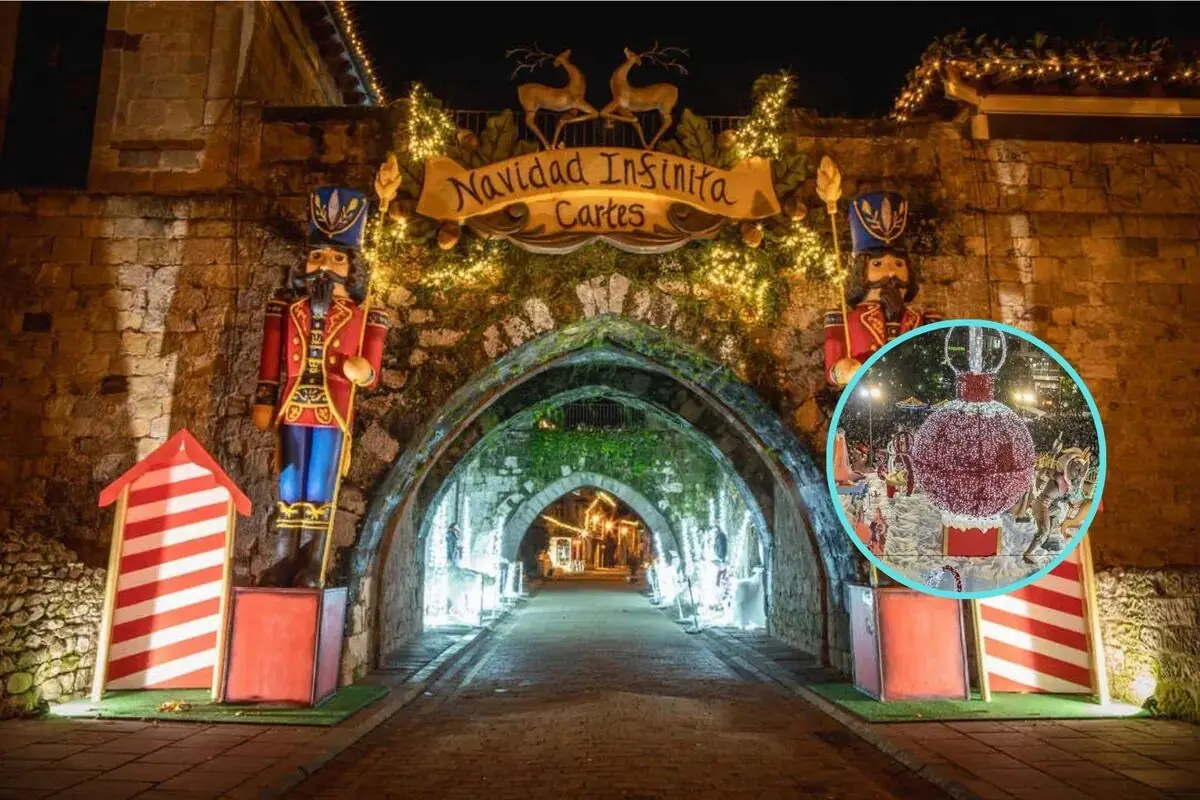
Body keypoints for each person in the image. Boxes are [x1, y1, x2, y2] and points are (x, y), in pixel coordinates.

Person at [253, 187, 389, 587]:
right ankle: (284, 555)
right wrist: (264, 399)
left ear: (351, 268)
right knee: (289, 479)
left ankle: (313, 560)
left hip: (333, 407)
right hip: (293, 404)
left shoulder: (365, 316)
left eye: (335, 259)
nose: (323, 266)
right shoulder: (287, 309)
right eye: (316, 257)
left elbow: (372, 372)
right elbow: (270, 358)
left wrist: (361, 370)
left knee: (319, 482)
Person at [824, 191, 941, 388]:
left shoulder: (925, 320)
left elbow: (935, 366)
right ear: (862, 272)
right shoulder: (842, 318)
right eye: (877, 264)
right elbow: (831, 371)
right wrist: (843, 371)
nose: (891, 273)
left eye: (898, 264)